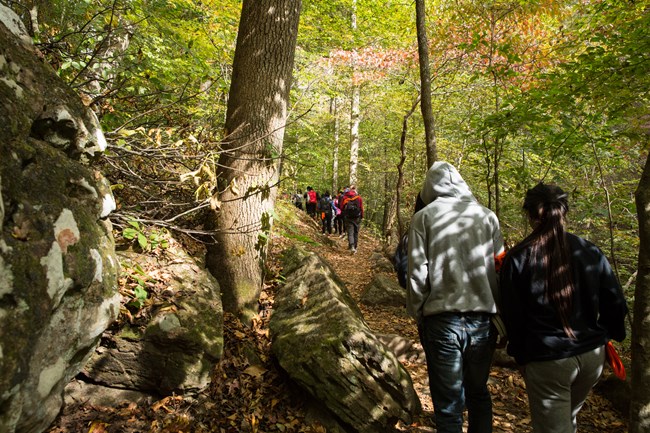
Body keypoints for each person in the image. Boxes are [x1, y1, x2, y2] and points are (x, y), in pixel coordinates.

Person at [499, 183, 628, 433]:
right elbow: (616, 302)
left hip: (549, 361)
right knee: (568, 420)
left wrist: (521, 357)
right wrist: (606, 335)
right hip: (591, 356)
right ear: (564, 211)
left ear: (529, 214)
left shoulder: (518, 258)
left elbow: (513, 317)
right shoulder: (589, 251)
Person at [406, 161, 505, 433]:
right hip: (483, 321)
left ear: (429, 188)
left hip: (441, 320)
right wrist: (499, 315)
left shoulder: (424, 217)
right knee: (478, 394)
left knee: (449, 406)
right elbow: (499, 269)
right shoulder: (487, 216)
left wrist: (418, 311)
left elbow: (417, 272)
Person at [340, 185, 364, 254]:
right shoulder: (359, 198)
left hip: (348, 217)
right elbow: (361, 208)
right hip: (357, 217)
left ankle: (352, 246)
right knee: (356, 232)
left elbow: (341, 207)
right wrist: (362, 216)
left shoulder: (345, 197)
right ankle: (355, 247)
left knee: (350, 232)